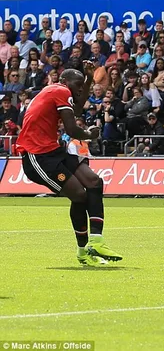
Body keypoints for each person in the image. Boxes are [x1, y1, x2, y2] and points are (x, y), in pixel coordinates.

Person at [15, 62, 122, 267]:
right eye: (78, 83)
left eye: (83, 84)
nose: (81, 87)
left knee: (94, 181)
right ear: (65, 81)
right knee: (79, 195)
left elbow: (77, 109)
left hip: (53, 150)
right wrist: (90, 135)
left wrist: (90, 78)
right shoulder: (59, 90)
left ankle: (97, 242)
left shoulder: (58, 91)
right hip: (37, 156)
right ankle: (83, 252)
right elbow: (73, 129)